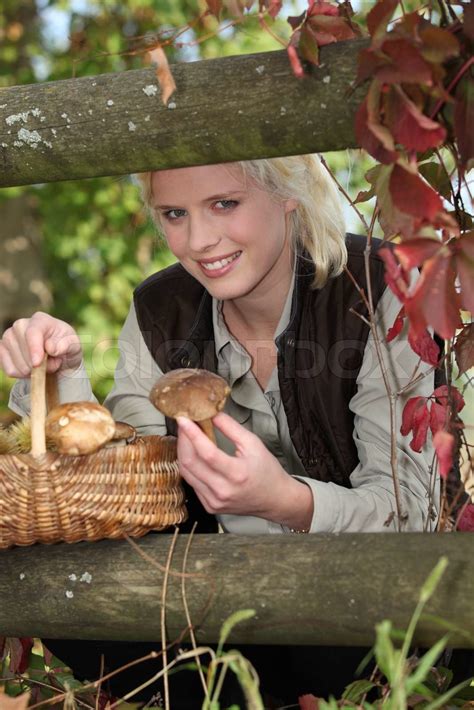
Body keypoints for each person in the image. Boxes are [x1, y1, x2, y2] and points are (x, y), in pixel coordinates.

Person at [0, 155, 439, 706]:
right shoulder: (159, 309)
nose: (200, 240)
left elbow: (409, 516)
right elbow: (129, 489)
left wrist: (284, 501)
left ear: (289, 193)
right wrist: (60, 377)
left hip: (367, 609)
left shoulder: (380, 285)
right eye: (174, 213)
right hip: (222, 613)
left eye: (224, 204)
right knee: (66, 590)